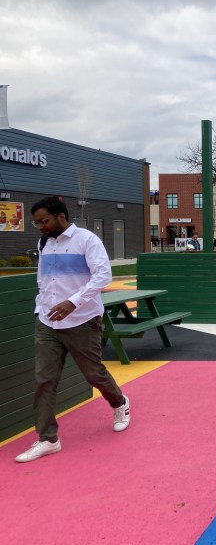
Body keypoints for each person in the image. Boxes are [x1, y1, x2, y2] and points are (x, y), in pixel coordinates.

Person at [16, 196, 130, 463]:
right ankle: (48, 439)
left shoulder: (87, 240)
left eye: (44, 221)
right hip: (47, 321)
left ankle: (120, 403)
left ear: (61, 217)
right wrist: (40, 308)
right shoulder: (44, 242)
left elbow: (103, 276)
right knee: (45, 380)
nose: (41, 227)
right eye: (37, 223)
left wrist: (72, 302)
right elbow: (44, 279)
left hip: (82, 321)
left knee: (94, 374)